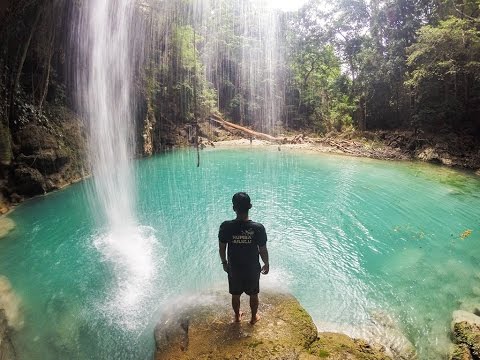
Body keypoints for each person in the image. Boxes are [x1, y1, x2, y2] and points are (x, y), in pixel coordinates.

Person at [218, 192, 269, 325]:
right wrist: (266, 263)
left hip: (234, 268)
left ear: (234, 208)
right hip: (252, 268)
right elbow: (262, 249)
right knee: (253, 294)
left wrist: (224, 262)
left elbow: (222, 248)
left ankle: (237, 316)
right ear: (250, 206)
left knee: (235, 294)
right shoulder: (258, 228)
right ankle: (253, 318)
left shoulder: (226, 226)